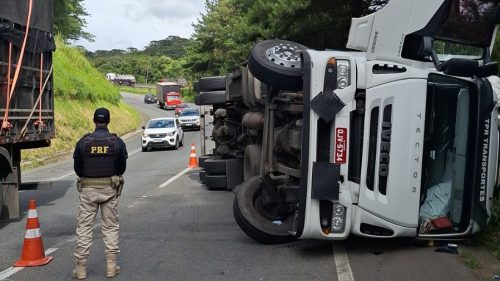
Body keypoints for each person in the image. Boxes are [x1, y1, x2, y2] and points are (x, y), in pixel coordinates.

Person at [72, 108, 128, 279]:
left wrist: (87, 177)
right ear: (108, 121)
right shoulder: (117, 142)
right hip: (109, 189)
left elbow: (77, 167)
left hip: (88, 190)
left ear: (94, 121)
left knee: (84, 228)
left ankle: (81, 269)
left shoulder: (83, 142)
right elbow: (121, 167)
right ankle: (111, 267)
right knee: (110, 228)